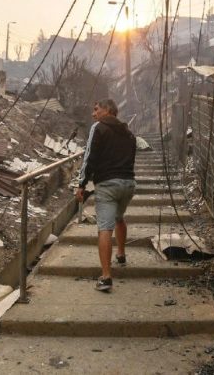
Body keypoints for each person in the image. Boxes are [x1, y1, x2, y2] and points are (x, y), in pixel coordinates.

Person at [77, 98, 136, 292]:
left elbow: (89, 157)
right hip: (128, 184)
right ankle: (121, 254)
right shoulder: (129, 133)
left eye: (96, 109)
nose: (93, 114)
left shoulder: (99, 128)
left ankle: (106, 277)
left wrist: (82, 184)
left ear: (108, 110)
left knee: (104, 228)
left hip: (108, 185)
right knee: (119, 218)